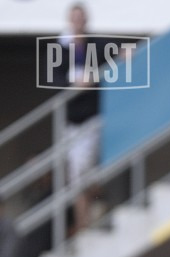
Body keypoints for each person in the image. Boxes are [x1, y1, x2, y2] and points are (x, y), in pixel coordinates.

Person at [54, 3, 107, 234]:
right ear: (70, 21)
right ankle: (83, 223)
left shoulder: (96, 44)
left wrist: (124, 52)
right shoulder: (62, 48)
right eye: (74, 18)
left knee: (85, 170)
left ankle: (92, 213)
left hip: (92, 117)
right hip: (71, 120)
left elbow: (115, 54)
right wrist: (74, 85)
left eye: (81, 17)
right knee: (76, 176)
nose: (78, 22)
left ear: (85, 20)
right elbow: (54, 79)